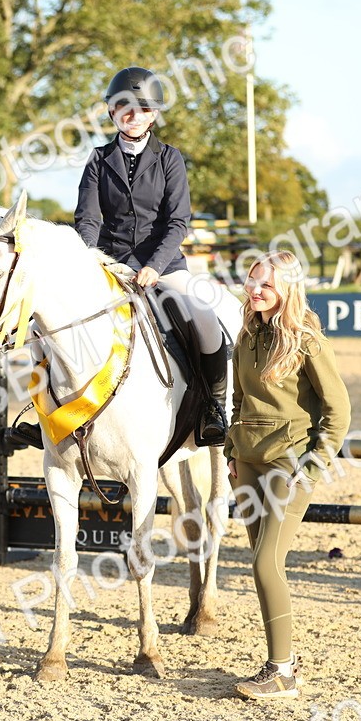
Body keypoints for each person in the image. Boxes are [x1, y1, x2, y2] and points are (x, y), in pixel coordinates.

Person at [74, 65, 229, 445]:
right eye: (124, 107)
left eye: (142, 109)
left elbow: (178, 222)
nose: (133, 115)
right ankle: (44, 405)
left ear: (154, 114)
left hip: (162, 265)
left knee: (205, 320)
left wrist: (153, 266)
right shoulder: (97, 160)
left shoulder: (170, 159)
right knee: (60, 318)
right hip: (110, 266)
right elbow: (88, 218)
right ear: (111, 111)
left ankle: (214, 405)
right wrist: (88, 260)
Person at [224, 251, 351, 700]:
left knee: (265, 563)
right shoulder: (245, 336)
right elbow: (238, 402)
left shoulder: (307, 341)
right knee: (263, 565)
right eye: (252, 280)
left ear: (288, 290)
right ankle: (280, 661)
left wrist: (313, 466)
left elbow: (339, 412)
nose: (255, 289)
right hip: (247, 464)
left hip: (287, 464)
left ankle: (282, 673)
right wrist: (230, 454)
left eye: (267, 285)